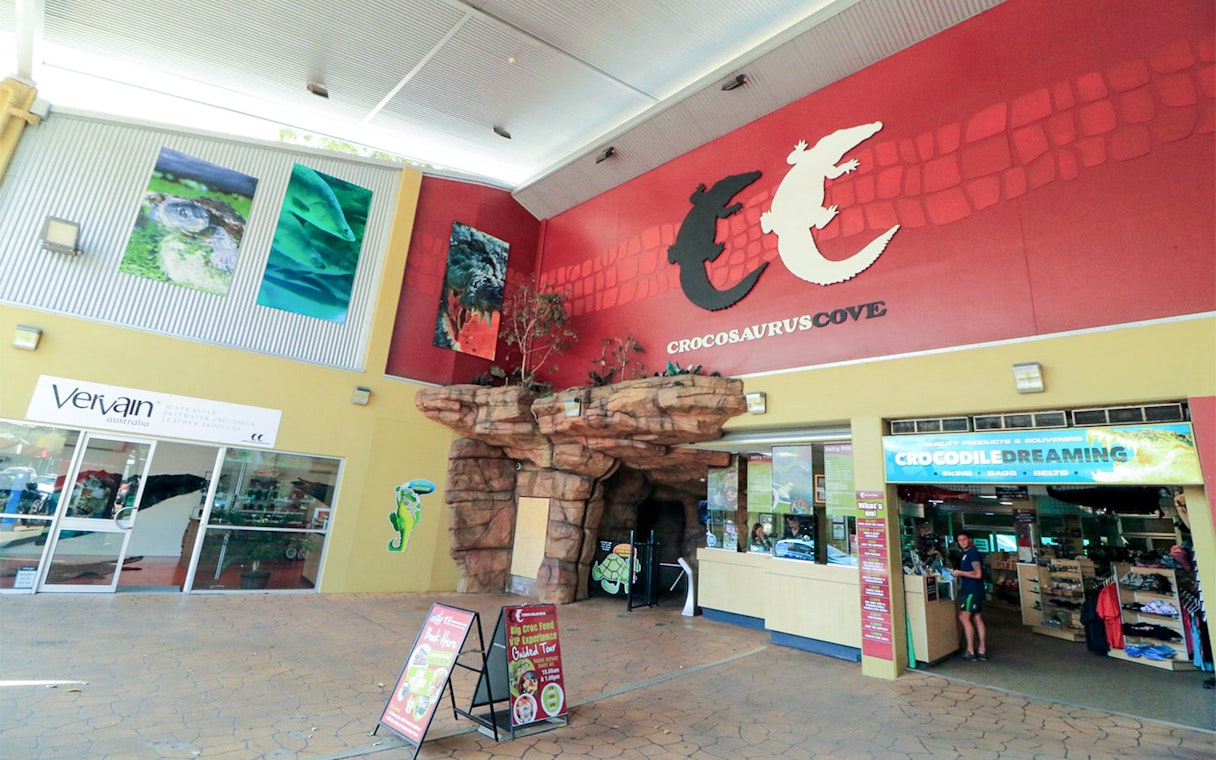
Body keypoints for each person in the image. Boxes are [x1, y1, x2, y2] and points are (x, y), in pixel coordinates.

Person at [954, 532, 987, 661]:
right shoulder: (967, 554)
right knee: (977, 617)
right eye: (959, 540)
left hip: (971, 591)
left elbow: (978, 574)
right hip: (975, 590)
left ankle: (970, 650)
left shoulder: (972, 554)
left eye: (964, 539)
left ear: (970, 540)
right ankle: (981, 649)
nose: (962, 542)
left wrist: (959, 572)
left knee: (963, 617)